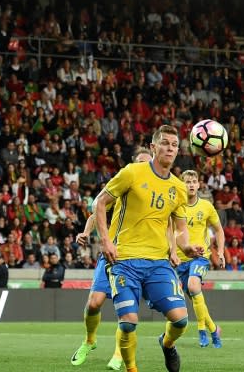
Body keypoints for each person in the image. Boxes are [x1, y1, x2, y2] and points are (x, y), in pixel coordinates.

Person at [95, 125, 204, 372]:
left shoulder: (178, 188)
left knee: (181, 320)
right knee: (128, 323)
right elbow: (100, 202)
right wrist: (106, 240)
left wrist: (186, 247)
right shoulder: (132, 173)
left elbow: (179, 227)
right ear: (154, 147)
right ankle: (132, 369)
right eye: (165, 143)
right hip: (124, 260)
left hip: (158, 263)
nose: (170, 148)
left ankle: (167, 344)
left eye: (174, 145)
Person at [71, 148, 152, 371]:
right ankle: (89, 340)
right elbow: (97, 210)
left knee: (125, 312)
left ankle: (118, 353)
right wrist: (87, 233)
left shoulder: (155, 196)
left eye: (148, 163)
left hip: (137, 260)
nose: (144, 167)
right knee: (94, 303)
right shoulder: (125, 188)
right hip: (111, 255)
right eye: (140, 163)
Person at [175, 170, 225, 348]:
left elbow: (219, 230)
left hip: (201, 257)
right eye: (187, 182)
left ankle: (201, 330)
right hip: (181, 261)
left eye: (193, 181)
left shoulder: (206, 206)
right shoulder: (175, 206)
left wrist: (220, 251)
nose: (190, 184)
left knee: (193, 286)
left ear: (198, 185)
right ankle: (214, 330)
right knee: (195, 297)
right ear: (182, 185)